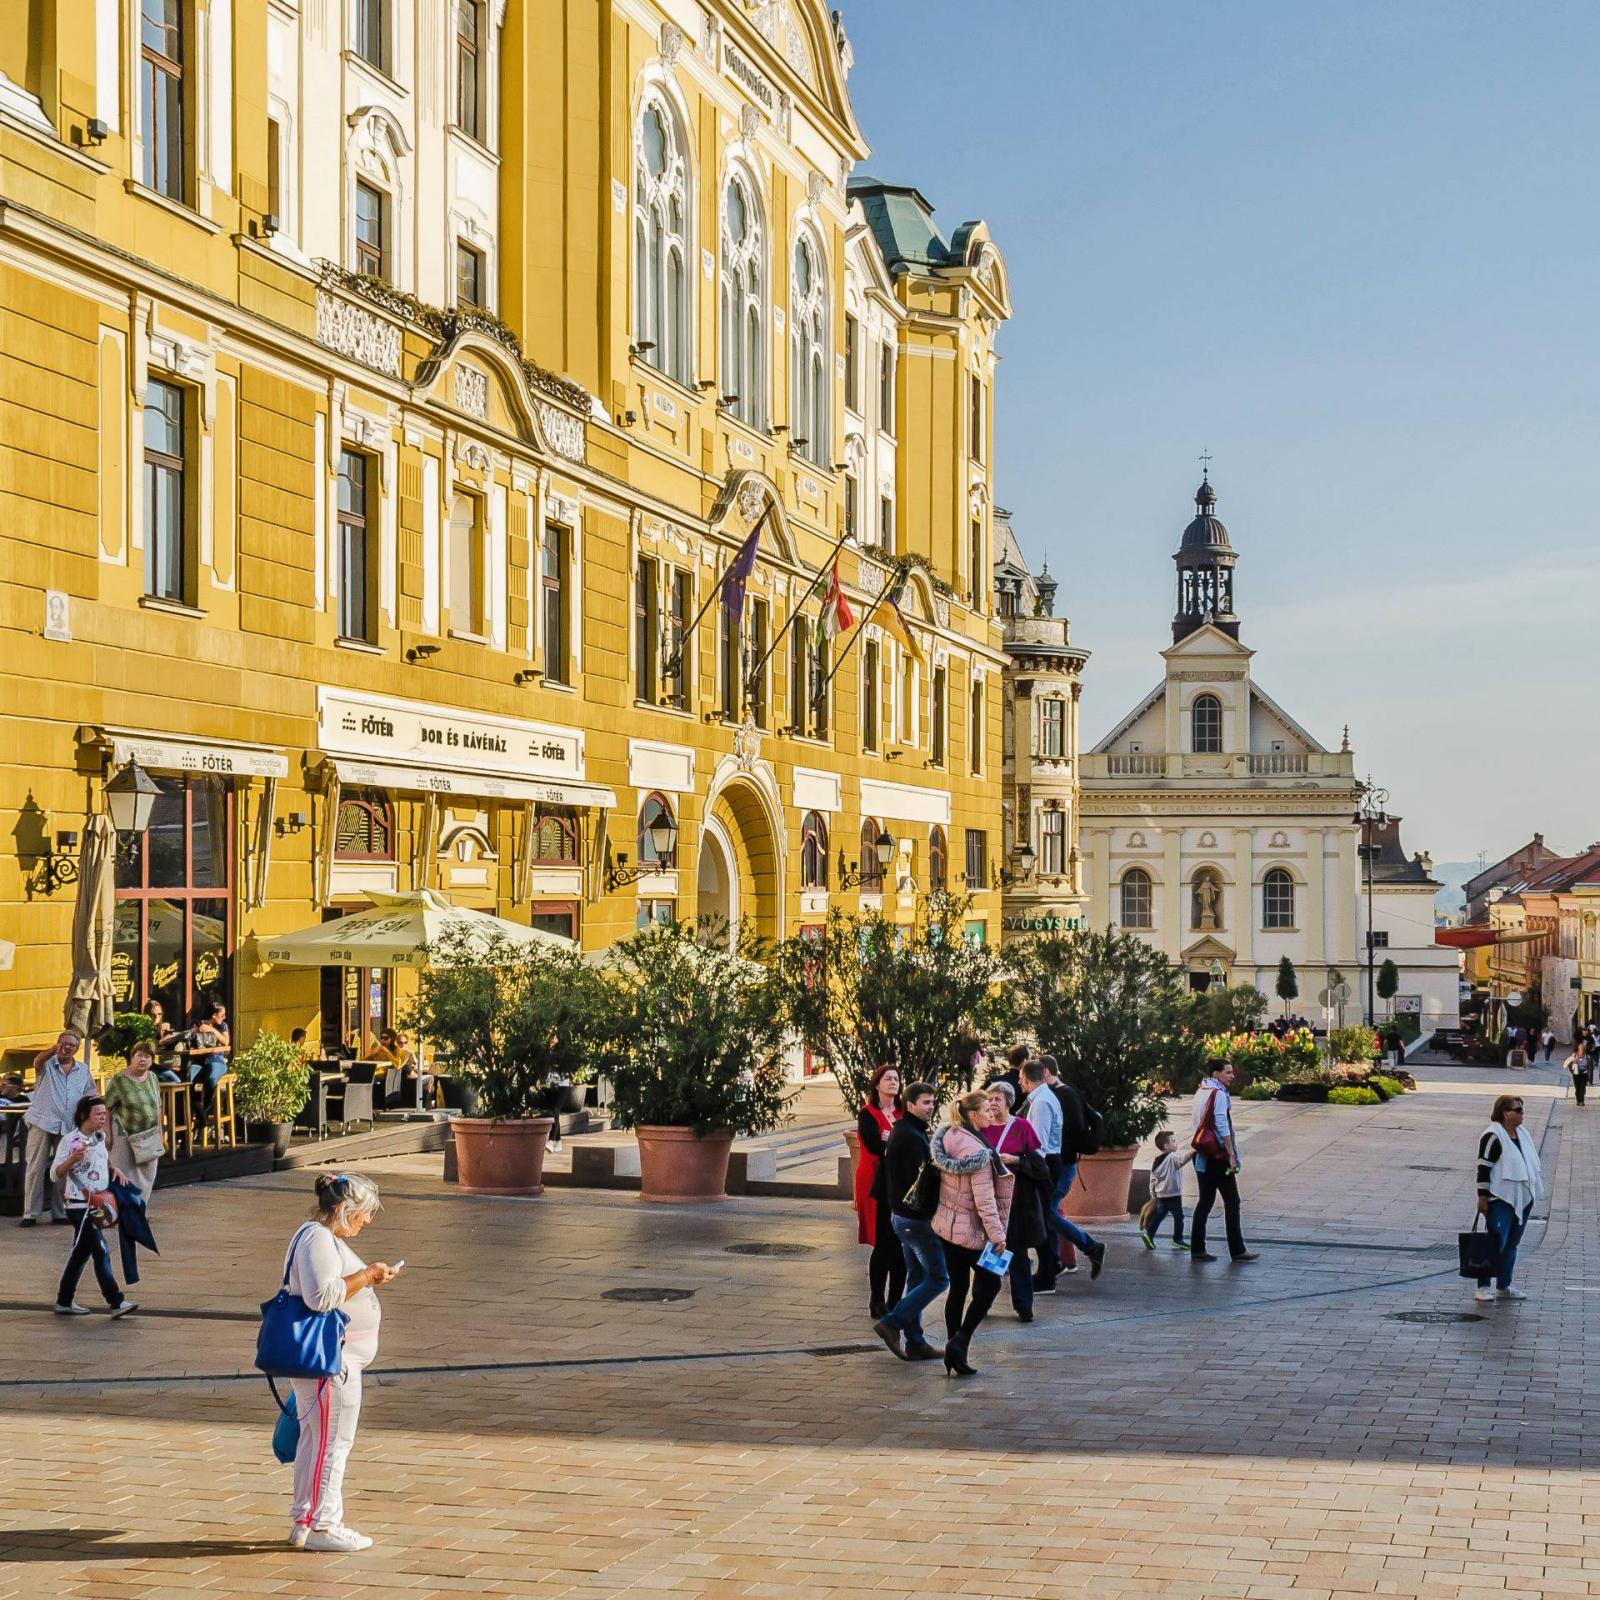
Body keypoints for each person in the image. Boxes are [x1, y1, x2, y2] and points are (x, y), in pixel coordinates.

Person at [285, 1172, 399, 1552]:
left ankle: (305, 1518)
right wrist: (366, 1275)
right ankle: (325, 1524)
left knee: (315, 1441)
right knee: (333, 1442)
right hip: (331, 1362)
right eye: (364, 1213)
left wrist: (367, 1279)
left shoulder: (319, 1237)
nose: (367, 1221)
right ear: (345, 1210)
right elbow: (322, 1296)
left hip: (330, 1362)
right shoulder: (317, 1237)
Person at [929, 1089, 1013, 1377]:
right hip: (973, 1234)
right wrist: (998, 1236)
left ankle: (955, 1348)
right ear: (973, 1115)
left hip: (947, 1227)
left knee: (959, 1288)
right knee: (991, 1286)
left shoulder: (949, 1135)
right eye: (987, 1110)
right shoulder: (977, 1152)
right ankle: (960, 1341)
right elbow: (985, 1200)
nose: (992, 1113)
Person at [872, 1081, 947, 1361]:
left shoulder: (905, 1131)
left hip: (903, 1217)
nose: (931, 1107)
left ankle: (915, 1341)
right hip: (915, 1220)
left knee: (916, 1276)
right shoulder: (912, 1137)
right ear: (911, 1104)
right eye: (925, 1103)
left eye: (932, 1102)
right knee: (939, 1278)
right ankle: (892, 1323)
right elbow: (923, 1181)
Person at [1024, 1057, 1107, 1289]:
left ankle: (1089, 1247)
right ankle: (1053, 1265)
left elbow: (1068, 1131)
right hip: (1061, 1163)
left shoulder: (1062, 1096)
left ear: (1047, 1072)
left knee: (1048, 1214)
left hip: (1061, 1164)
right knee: (1048, 1215)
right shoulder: (1057, 1095)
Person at [51, 1094, 136, 1317]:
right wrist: (71, 1160)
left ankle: (64, 1300)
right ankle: (116, 1301)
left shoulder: (100, 1137)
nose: (103, 1118)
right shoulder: (70, 1140)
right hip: (79, 1205)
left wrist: (112, 1170)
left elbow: (98, 1165)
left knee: (81, 1253)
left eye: (104, 1114)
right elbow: (55, 1174)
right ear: (84, 1116)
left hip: (97, 1203)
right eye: (98, 1114)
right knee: (100, 1250)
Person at [980, 1080, 1048, 1322]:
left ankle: (1023, 1305)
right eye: (989, 1099)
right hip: (989, 1202)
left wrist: (1016, 1161)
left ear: (1009, 1101)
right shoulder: (982, 1128)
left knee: (1017, 1254)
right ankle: (982, 1301)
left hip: (1017, 1202)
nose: (992, 1103)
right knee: (990, 1253)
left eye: (997, 1098)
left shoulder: (1022, 1127)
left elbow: (1041, 1168)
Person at [21, 1031, 94, 1226]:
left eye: (71, 1045)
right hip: (42, 1121)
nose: (66, 1047)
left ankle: (59, 1212)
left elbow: (90, 1095)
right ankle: (31, 1213)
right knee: (35, 1168)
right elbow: (37, 1061)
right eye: (63, 1043)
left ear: (77, 1049)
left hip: (68, 1125)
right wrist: (53, 1050)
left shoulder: (83, 1070)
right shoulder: (47, 1065)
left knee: (64, 1168)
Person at [1474, 1094, 1542, 1303]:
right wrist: (1482, 1197)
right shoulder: (1493, 1135)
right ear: (1505, 1113)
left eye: (1522, 1109)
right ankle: (1484, 1286)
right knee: (1495, 1242)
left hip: (1522, 1196)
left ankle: (1504, 1285)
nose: (1522, 1114)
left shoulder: (1522, 1134)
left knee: (1512, 1243)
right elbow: (1484, 1167)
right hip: (1500, 1199)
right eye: (1518, 1110)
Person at [1190, 1059, 1259, 1264]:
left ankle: (1197, 1248)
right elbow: (1222, 1125)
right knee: (1232, 1201)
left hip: (1202, 1154)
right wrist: (1231, 1154)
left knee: (1205, 1202)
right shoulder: (1218, 1094)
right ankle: (1237, 1250)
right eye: (1227, 1072)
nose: (1232, 1075)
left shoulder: (1201, 1090)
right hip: (1217, 1156)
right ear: (1215, 1074)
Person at [854, 1065, 905, 1320]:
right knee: (883, 1241)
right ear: (877, 1084)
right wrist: (894, 1140)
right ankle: (877, 1299)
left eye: (896, 1079)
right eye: (888, 1078)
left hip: (899, 1181)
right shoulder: (868, 1113)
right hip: (875, 1181)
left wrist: (890, 1139)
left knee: (900, 1244)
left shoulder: (902, 1112)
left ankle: (896, 1300)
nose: (893, 1082)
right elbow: (874, 1145)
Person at [105, 1041, 164, 1201]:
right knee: (125, 1174)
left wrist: (160, 1131)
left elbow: (158, 1105)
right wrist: (108, 1134)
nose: (143, 1060)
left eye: (147, 1056)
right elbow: (107, 1109)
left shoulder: (152, 1078)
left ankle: (140, 1209)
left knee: (147, 1175)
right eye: (139, 1055)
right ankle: (123, 1210)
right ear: (132, 1057)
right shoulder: (119, 1080)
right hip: (124, 1134)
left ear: (152, 1061)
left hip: (149, 1134)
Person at [1140, 1131, 1193, 1249]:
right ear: (1166, 1146)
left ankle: (1149, 1235)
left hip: (1161, 1195)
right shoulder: (1172, 1157)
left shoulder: (1156, 1161)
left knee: (1159, 1215)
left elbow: (1152, 1180)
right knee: (1179, 1217)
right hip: (1173, 1194)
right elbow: (1180, 1162)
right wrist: (1191, 1154)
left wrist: (1153, 1195)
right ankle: (1178, 1239)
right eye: (1173, 1141)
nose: (1176, 1143)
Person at [186, 999, 231, 1116]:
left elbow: (226, 1042)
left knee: (211, 1079)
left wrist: (212, 1030)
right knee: (189, 1078)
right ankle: (196, 1110)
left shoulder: (222, 1026)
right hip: (199, 1059)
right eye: (222, 1015)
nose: (224, 1017)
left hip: (217, 1059)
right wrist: (195, 1031)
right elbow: (188, 1037)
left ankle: (206, 1109)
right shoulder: (197, 1023)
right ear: (214, 1015)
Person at [142, 1000, 183, 1081]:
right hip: (145, 1066)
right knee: (175, 1081)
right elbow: (146, 1048)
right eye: (153, 1015)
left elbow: (166, 1048)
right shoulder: (143, 1028)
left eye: (159, 1014)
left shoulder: (158, 1028)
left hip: (156, 1064)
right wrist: (160, 1041)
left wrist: (166, 1035)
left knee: (179, 1079)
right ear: (147, 1015)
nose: (157, 1018)